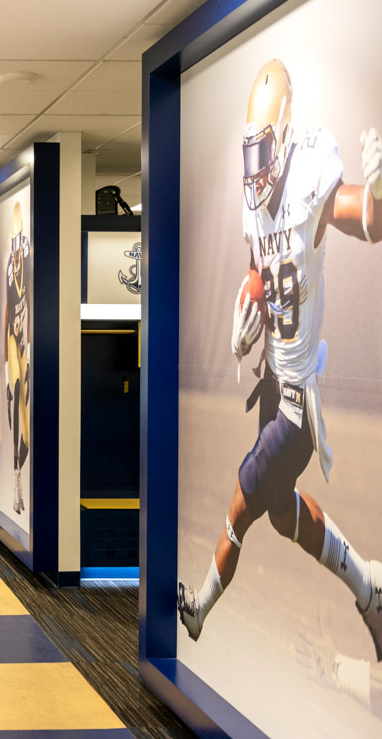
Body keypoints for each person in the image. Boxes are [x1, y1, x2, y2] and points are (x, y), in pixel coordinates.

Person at [177, 58, 382, 660]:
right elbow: (259, 269)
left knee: (239, 513)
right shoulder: (257, 204)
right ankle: (368, 585)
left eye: (263, 150)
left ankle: (197, 613)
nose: (255, 169)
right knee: (282, 516)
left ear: (287, 131)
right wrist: (248, 316)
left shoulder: (312, 177)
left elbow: (364, 218)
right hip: (271, 384)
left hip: (295, 406)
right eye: (250, 153)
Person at [5, 201, 30, 515]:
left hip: (24, 348)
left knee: (25, 420)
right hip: (12, 346)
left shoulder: (29, 269)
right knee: (17, 407)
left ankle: (18, 481)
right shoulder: (10, 272)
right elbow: (5, 315)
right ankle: (16, 480)